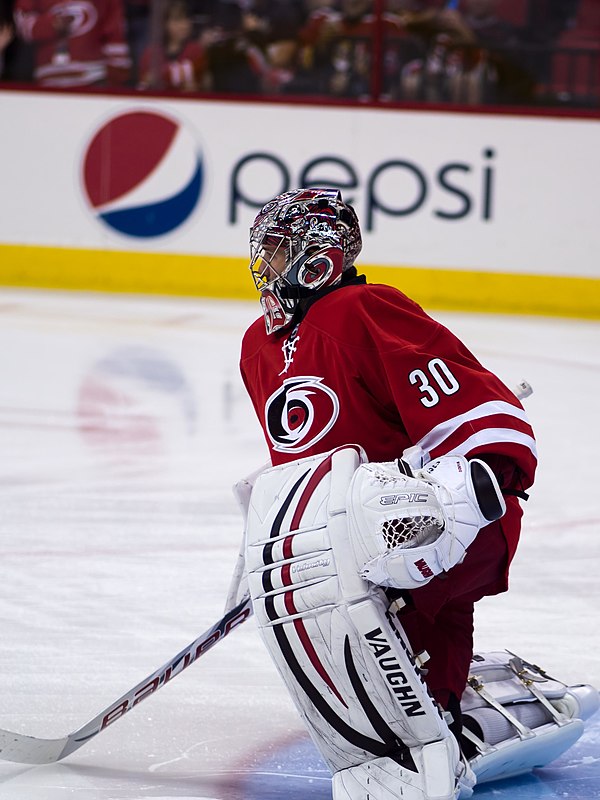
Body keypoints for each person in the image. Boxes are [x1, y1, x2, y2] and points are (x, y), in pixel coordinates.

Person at [237, 187, 543, 798]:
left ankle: (441, 714)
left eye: (276, 251)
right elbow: (300, 471)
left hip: (451, 516)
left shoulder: (362, 309)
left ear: (318, 255)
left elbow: (483, 417)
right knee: (346, 624)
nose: (263, 266)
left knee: (405, 565)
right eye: (263, 251)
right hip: (350, 540)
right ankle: (432, 706)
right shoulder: (258, 347)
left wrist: (468, 492)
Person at [13, 0, 131, 87]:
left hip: (93, 78)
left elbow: (115, 31)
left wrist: (116, 78)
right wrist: (50, 25)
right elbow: (22, 23)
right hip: (50, 78)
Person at [137, 0, 206, 91]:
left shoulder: (195, 51)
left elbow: (201, 83)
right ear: (165, 24)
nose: (184, 25)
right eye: (177, 20)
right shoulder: (151, 53)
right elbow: (142, 84)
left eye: (187, 19)